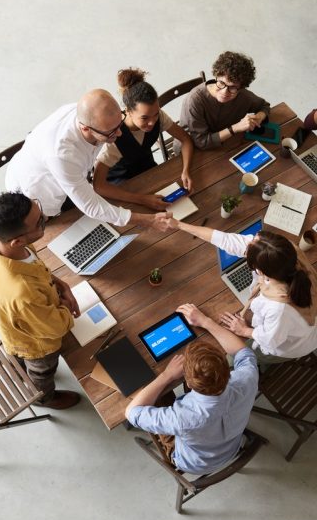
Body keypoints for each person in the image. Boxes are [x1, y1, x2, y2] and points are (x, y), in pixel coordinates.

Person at [5, 89, 172, 232]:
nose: (119, 134)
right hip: (36, 193)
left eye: (119, 125)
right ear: (85, 128)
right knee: (59, 231)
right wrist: (147, 220)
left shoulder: (91, 116)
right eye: (110, 132)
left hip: (69, 174)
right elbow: (91, 206)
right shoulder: (62, 155)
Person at [126, 303, 258, 474]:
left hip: (193, 463)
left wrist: (167, 376)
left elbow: (131, 413)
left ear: (188, 382)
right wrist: (205, 321)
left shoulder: (181, 418)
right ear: (226, 368)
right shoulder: (247, 379)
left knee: (159, 395)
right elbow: (244, 353)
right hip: (231, 447)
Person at [168, 218, 317, 363]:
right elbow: (227, 240)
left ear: (261, 271)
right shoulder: (283, 253)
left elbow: (271, 340)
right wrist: (179, 225)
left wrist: (244, 331)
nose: (248, 241)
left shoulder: (278, 308)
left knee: (231, 358)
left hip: (293, 343)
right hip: (295, 325)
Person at [0, 192, 81, 409]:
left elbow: (36, 269)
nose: (44, 217)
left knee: (21, 361)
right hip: (37, 345)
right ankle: (45, 398)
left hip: (15, 322)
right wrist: (65, 306)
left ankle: (20, 368)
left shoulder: (13, 248)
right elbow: (54, 328)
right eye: (39, 222)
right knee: (42, 371)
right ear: (18, 241)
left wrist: (60, 284)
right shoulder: (24, 293)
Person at [93, 68, 194, 210]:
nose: (152, 122)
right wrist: (143, 200)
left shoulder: (157, 117)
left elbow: (186, 140)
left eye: (156, 114)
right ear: (128, 111)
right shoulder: (113, 138)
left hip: (149, 172)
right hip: (123, 187)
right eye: (145, 118)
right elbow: (98, 186)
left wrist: (186, 171)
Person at [177, 51, 270, 151]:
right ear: (216, 75)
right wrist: (235, 128)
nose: (225, 92)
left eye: (233, 87)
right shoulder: (194, 100)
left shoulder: (243, 95)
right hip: (192, 149)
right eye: (221, 82)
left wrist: (258, 118)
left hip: (225, 143)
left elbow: (264, 106)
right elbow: (201, 142)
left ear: (241, 87)